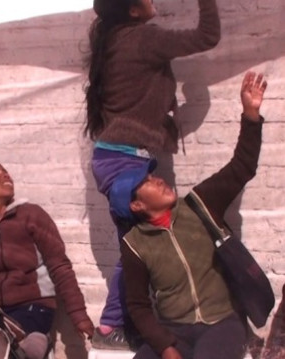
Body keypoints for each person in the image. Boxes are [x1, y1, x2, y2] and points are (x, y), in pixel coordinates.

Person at [85, 0, 221, 348]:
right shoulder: (143, 39)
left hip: (117, 158)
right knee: (139, 249)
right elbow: (208, 36)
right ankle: (110, 326)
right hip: (124, 162)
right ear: (132, 10)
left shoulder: (115, 40)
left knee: (138, 249)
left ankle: (125, 324)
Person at [110, 71, 267, 358]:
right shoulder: (135, 244)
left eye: (153, 176)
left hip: (223, 322)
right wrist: (165, 347)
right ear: (136, 206)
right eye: (145, 183)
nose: (157, 180)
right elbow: (138, 306)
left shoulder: (199, 203)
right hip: (175, 329)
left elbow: (242, 166)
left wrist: (250, 115)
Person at [0, 161, 94, 359]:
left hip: (35, 305)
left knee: (18, 349)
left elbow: (59, 265)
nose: (6, 175)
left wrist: (79, 315)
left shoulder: (31, 214)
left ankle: (34, 346)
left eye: (6, 171)